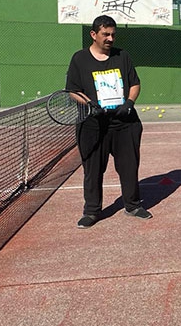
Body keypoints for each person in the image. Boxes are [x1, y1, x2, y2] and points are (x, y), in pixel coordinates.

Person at [65, 14, 151, 229]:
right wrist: (89, 105)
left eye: (113, 34)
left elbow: (135, 84)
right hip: (93, 126)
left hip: (124, 124)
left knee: (129, 167)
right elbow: (72, 91)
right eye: (106, 34)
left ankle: (132, 205)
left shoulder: (123, 56)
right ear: (93, 35)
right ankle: (92, 211)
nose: (110, 39)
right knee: (93, 170)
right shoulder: (79, 59)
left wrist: (129, 103)